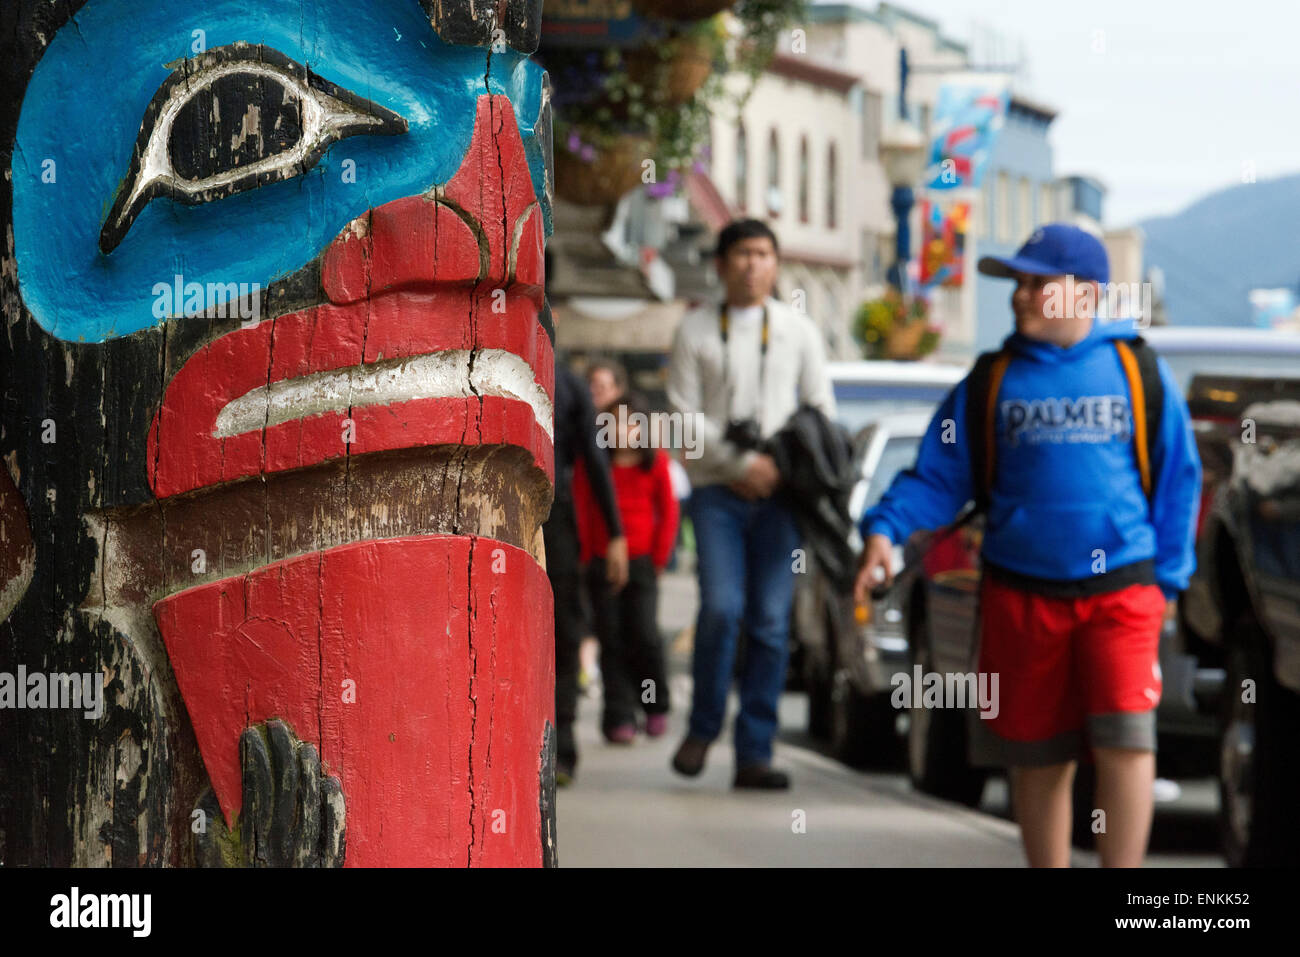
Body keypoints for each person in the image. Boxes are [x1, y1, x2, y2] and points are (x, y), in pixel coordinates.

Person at [853, 223, 1202, 867]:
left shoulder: (1135, 370)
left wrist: (1167, 583)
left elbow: (1180, 480)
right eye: (1018, 283)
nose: (1021, 296)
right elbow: (937, 475)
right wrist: (885, 529)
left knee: (1126, 742)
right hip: (1020, 593)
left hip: (1122, 589)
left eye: (1039, 283)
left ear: (1086, 293)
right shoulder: (992, 380)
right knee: (1037, 752)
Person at [666, 218, 836, 790]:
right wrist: (741, 466)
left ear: (776, 263)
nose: (752, 265)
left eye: (763, 254)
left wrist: (778, 468)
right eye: (741, 254)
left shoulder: (799, 332)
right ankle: (703, 726)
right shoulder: (694, 330)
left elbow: (820, 415)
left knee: (768, 622)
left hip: (781, 500)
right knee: (721, 607)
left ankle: (755, 752)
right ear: (720, 264)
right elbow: (682, 422)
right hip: (717, 494)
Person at [573, 392, 680, 743]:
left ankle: (654, 704)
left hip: (643, 563)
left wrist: (660, 559)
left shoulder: (656, 463)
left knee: (645, 636)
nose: (622, 429)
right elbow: (584, 511)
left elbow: (668, 513)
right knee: (612, 639)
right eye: (614, 421)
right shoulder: (593, 467)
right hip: (602, 564)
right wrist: (588, 558)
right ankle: (618, 717)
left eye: (631, 422)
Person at [544, 361, 628, 787]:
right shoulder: (564, 381)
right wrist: (615, 533)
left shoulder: (565, 383)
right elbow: (594, 460)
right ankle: (562, 750)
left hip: (545, 516)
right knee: (560, 632)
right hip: (547, 516)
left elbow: (595, 460)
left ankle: (563, 746)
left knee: (561, 631)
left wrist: (615, 534)